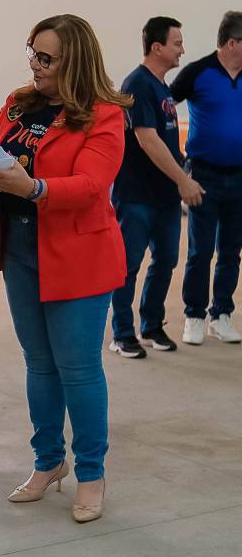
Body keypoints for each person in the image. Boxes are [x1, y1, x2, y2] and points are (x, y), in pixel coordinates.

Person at [0, 14, 131, 523]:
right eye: (32, 53)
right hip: (21, 250)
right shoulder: (18, 104)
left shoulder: (104, 114)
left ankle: (91, 473)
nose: (35, 65)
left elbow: (91, 185)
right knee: (39, 364)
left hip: (78, 256)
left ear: (75, 62)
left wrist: (34, 188)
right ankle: (48, 462)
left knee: (79, 370)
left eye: (46, 58)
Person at [109, 18, 199, 358]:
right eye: (177, 43)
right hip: (137, 196)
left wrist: (183, 170)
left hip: (164, 198)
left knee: (165, 261)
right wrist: (183, 180)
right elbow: (147, 140)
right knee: (128, 265)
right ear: (157, 47)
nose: (182, 50)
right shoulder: (138, 84)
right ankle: (122, 333)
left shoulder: (163, 88)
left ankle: (151, 325)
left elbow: (167, 140)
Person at [170, 10, 242, 346]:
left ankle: (221, 314)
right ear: (233, 43)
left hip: (239, 177)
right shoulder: (197, 72)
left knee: (231, 250)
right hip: (204, 174)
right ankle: (194, 315)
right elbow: (163, 106)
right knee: (200, 251)